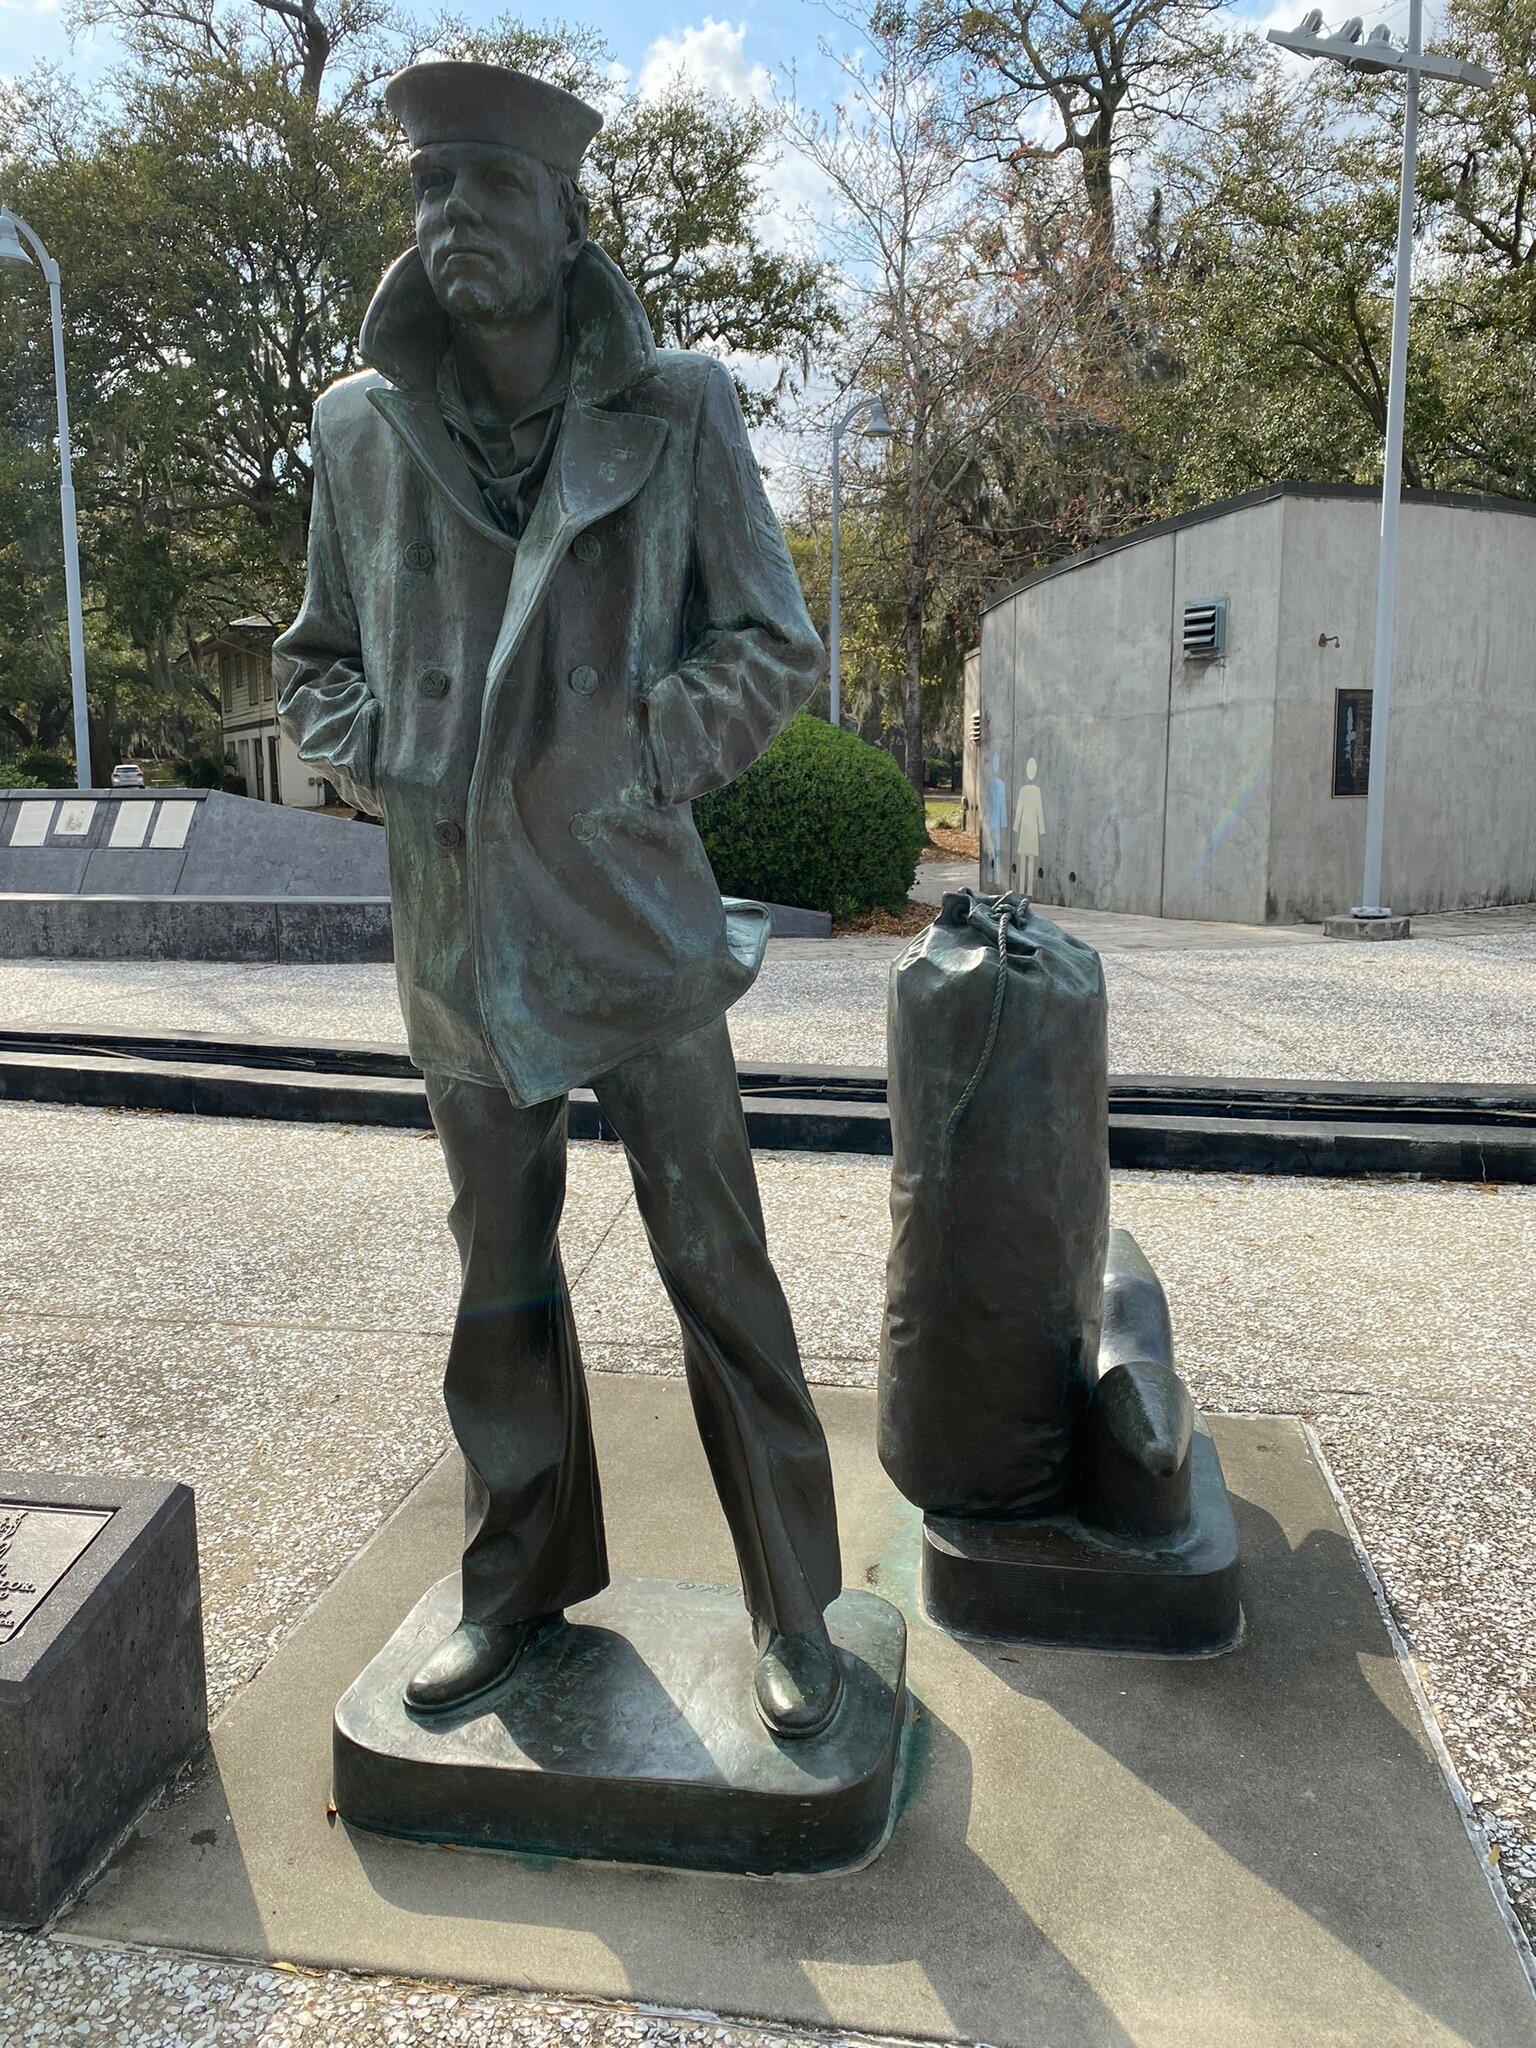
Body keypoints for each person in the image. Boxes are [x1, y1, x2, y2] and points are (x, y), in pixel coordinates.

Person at [275, 61, 844, 1738]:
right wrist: (399, 755)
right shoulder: (353, 434)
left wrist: (633, 752)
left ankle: (797, 1610)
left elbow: (769, 644)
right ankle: (514, 1592)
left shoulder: (679, 407)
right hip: (457, 941)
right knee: (499, 1287)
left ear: (565, 215)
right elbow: (316, 662)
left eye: (493, 190)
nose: (457, 222)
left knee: (720, 1271)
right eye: (433, 192)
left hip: (637, 930)